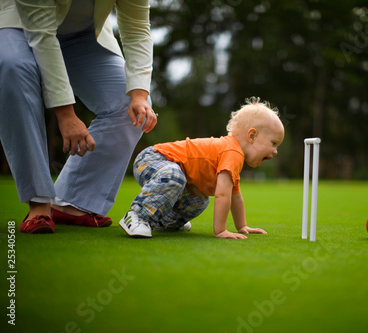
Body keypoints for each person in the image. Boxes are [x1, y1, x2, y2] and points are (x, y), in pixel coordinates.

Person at [0, 0, 156, 234]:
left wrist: (140, 95)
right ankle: (38, 202)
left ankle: (70, 203)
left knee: (129, 104)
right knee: (13, 68)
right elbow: (42, 34)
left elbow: (137, 29)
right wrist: (66, 114)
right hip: (20, 25)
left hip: (83, 35)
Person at [119, 97, 285, 239]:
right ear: (252, 135)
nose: (276, 151)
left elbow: (235, 197)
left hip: (169, 170)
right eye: (274, 143)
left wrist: (242, 226)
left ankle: (165, 221)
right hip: (153, 159)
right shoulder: (232, 151)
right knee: (174, 176)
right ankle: (137, 216)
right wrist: (221, 230)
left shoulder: (233, 156)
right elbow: (222, 194)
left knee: (199, 200)